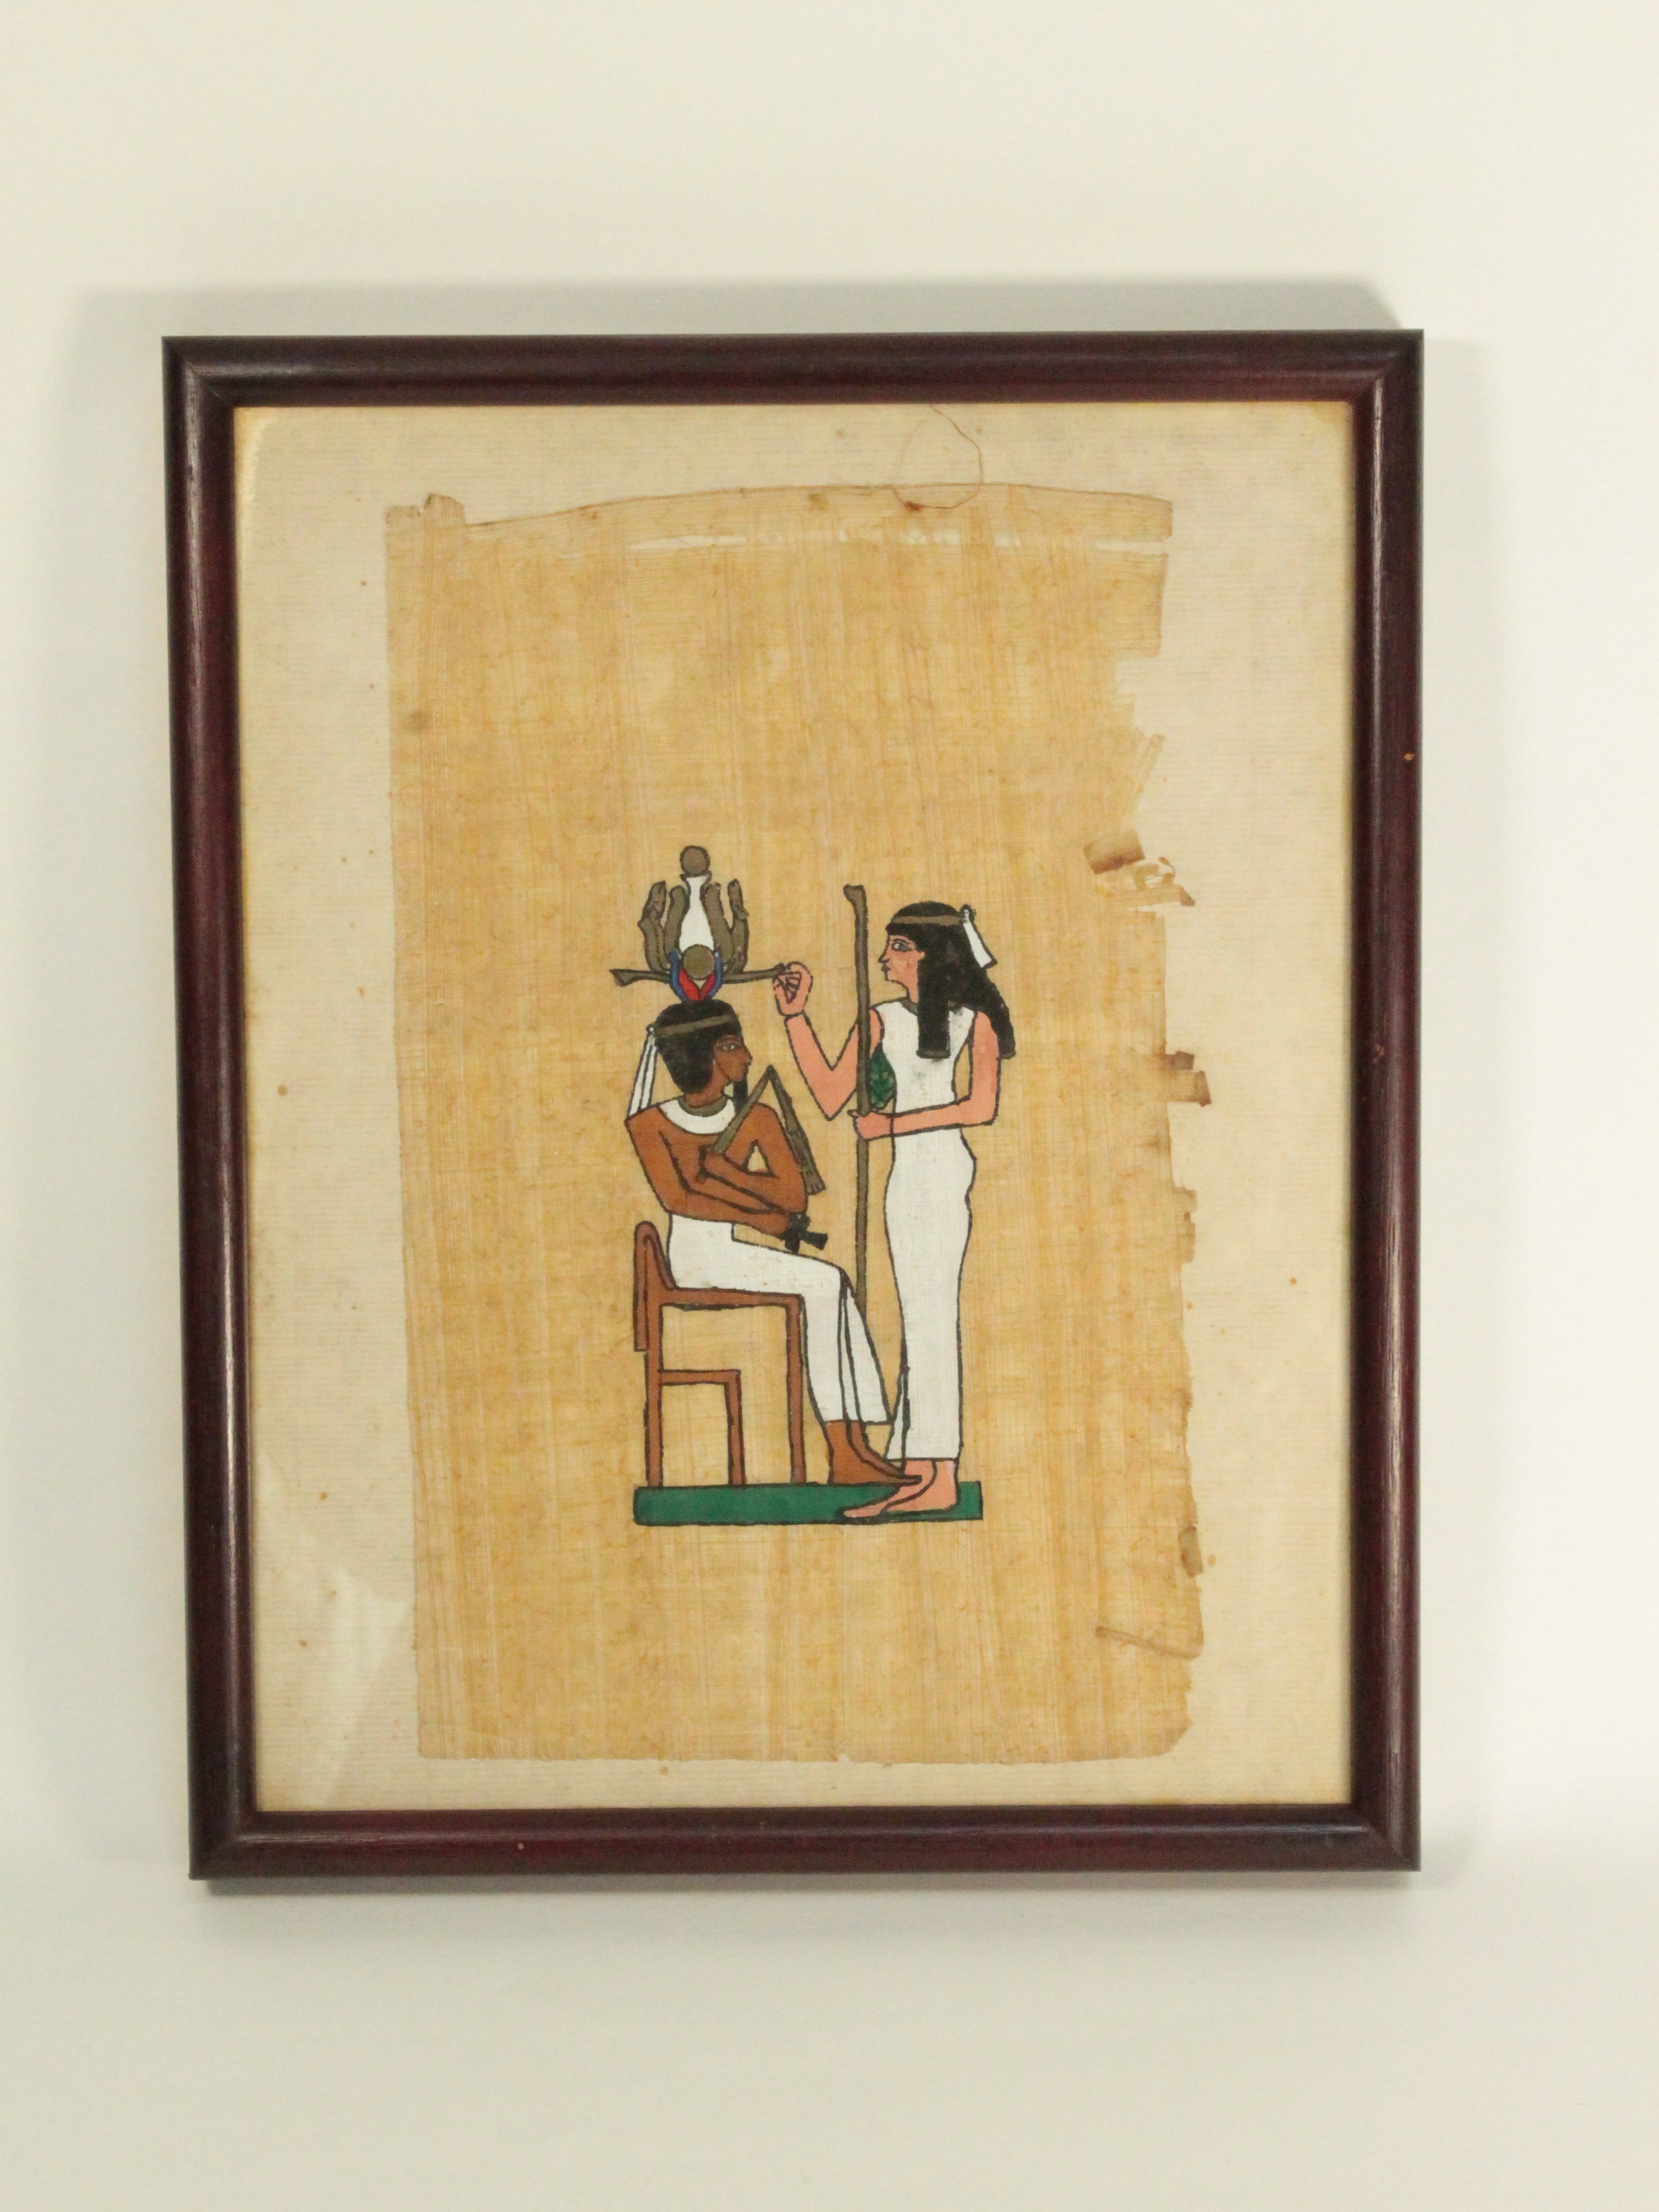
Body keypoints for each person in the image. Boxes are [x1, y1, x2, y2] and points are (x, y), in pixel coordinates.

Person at [773, 902, 1013, 1519]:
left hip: (941, 1168)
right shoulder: (880, 1018)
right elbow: (831, 1094)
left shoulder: (975, 1019)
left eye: (899, 947)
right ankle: (920, 1466)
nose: (885, 958)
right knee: (917, 1316)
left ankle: (940, 1474)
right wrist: (796, 1018)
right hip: (906, 1175)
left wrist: (892, 1125)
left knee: (933, 1319)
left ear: (932, 955)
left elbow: (979, 1107)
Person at [625, 1000, 894, 1484]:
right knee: (823, 1284)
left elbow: (794, 1196)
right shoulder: (651, 1124)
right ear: (701, 1054)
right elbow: (680, 1200)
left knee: (831, 1282)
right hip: (695, 1259)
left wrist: (730, 1174)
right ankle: (842, 1450)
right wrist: (759, 1218)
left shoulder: (756, 1117)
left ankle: (855, 1445)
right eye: (732, 1046)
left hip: (732, 1252)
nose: (747, 1056)